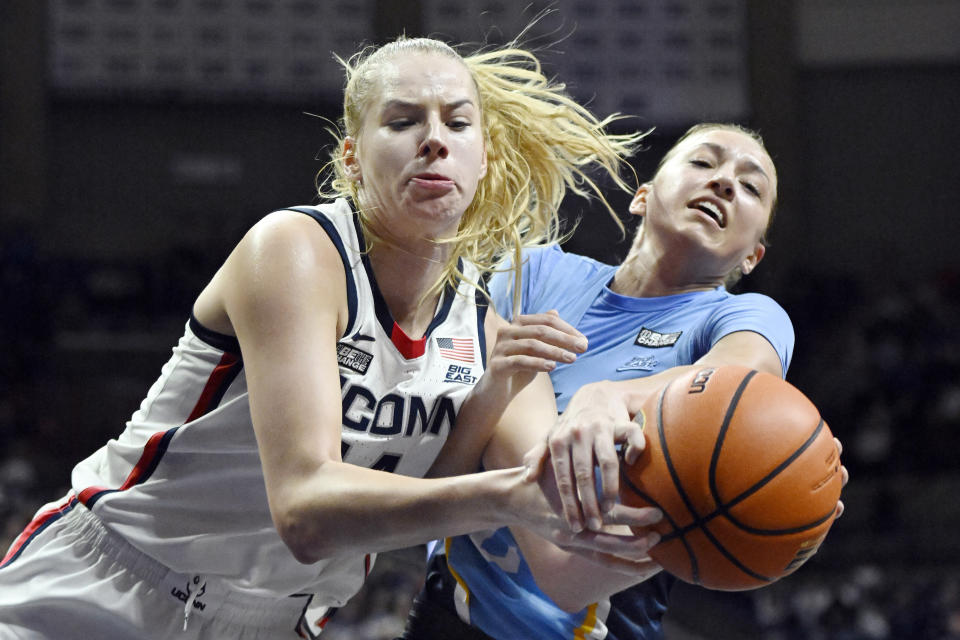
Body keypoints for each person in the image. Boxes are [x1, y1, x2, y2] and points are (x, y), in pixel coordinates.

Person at [0, 36, 662, 639]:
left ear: (483, 159)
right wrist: (506, 496)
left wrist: (673, 512)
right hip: (108, 590)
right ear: (351, 155)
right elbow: (307, 512)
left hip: (281, 621)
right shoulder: (295, 253)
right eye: (403, 122)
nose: (435, 140)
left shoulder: (495, 340)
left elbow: (565, 566)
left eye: (458, 124)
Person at [400, 123, 846, 640]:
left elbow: (741, 381)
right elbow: (433, 480)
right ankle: (558, 547)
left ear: (752, 257)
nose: (725, 183)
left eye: (750, 187)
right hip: (447, 618)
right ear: (643, 196)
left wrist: (606, 396)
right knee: (516, 370)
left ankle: (567, 555)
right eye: (704, 163)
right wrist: (496, 390)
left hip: (598, 624)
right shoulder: (535, 271)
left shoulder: (747, 315)